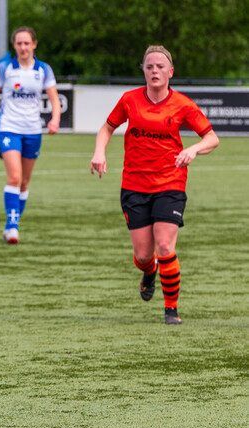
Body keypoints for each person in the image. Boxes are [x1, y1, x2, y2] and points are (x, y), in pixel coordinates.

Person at [89, 45, 219, 325]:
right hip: (134, 184)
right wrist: (99, 151)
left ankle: (171, 309)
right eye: (150, 67)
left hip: (170, 182)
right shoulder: (129, 100)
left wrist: (194, 150)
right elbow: (107, 127)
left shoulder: (183, 104)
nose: (155, 71)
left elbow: (211, 138)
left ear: (171, 72)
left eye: (160, 67)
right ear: (144, 71)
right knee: (144, 255)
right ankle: (149, 273)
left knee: (164, 245)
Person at [0, 26, 60, 245]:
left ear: (34, 45)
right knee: (14, 177)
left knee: (25, 182)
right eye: (19, 43)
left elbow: (54, 99)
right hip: (9, 128)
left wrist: (55, 119)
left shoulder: (43, 70)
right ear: (14, 46)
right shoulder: (5, 69)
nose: (23, 47)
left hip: (32, 130)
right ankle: (12, 227)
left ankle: (12, 223)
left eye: (27, 43)